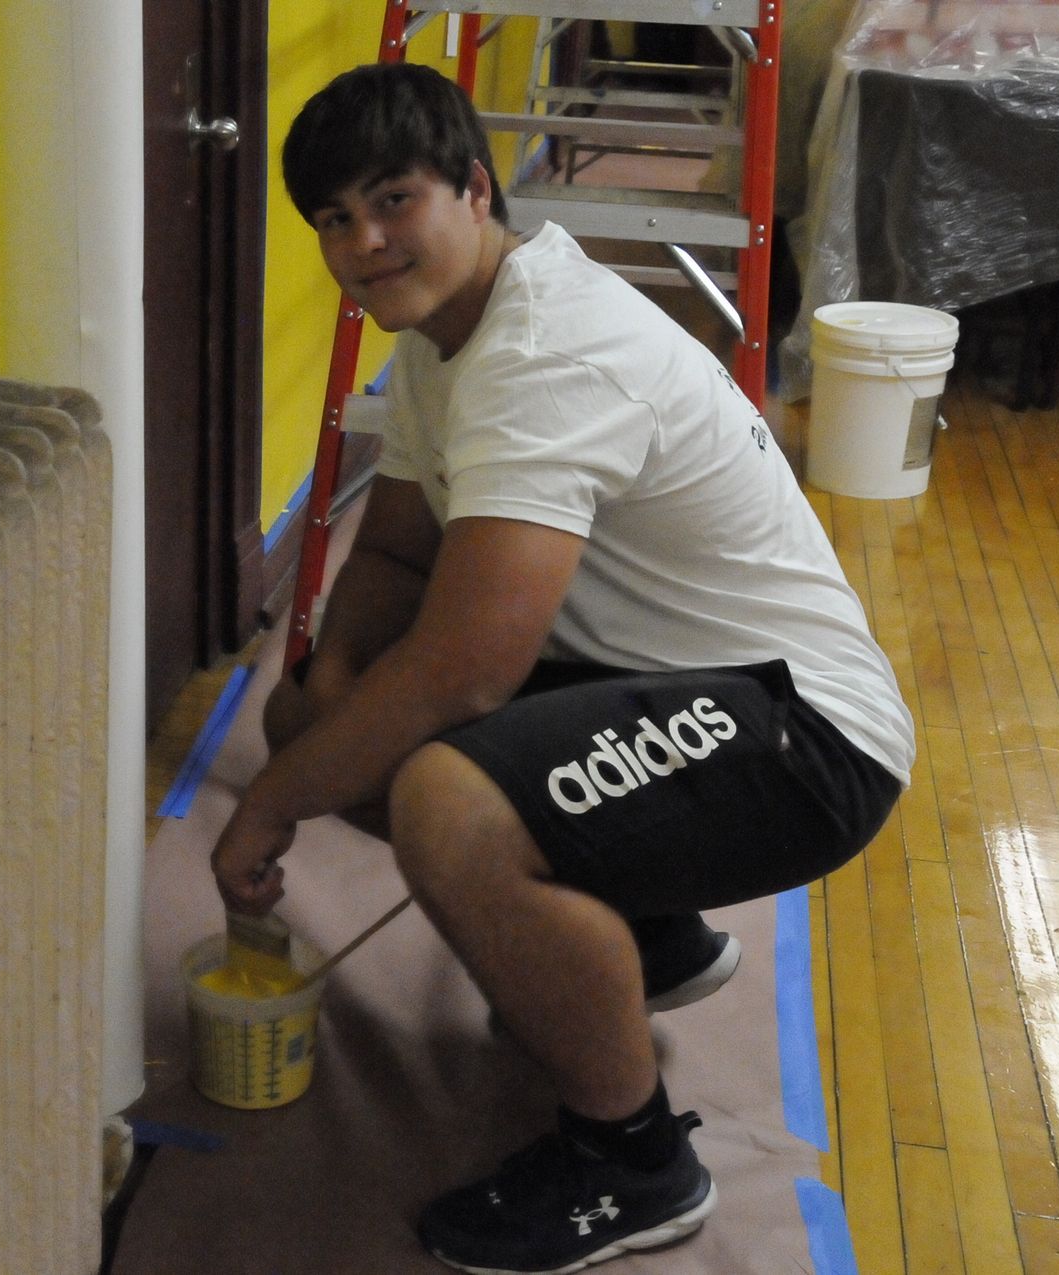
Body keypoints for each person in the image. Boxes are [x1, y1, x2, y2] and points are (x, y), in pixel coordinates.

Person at [210, 61, 913, 1274]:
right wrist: (323, 687)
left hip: (808, 737)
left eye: (394, 200)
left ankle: (632, 1160)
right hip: (685, 683)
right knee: (324, 714)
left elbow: (471, 671)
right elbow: (401, 549)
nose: (366, 243)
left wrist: (272, 809)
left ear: (475, 190)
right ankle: (651, 942)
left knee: (446, 800)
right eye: (335, 220)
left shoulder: (549, 356)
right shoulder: (448, 339)